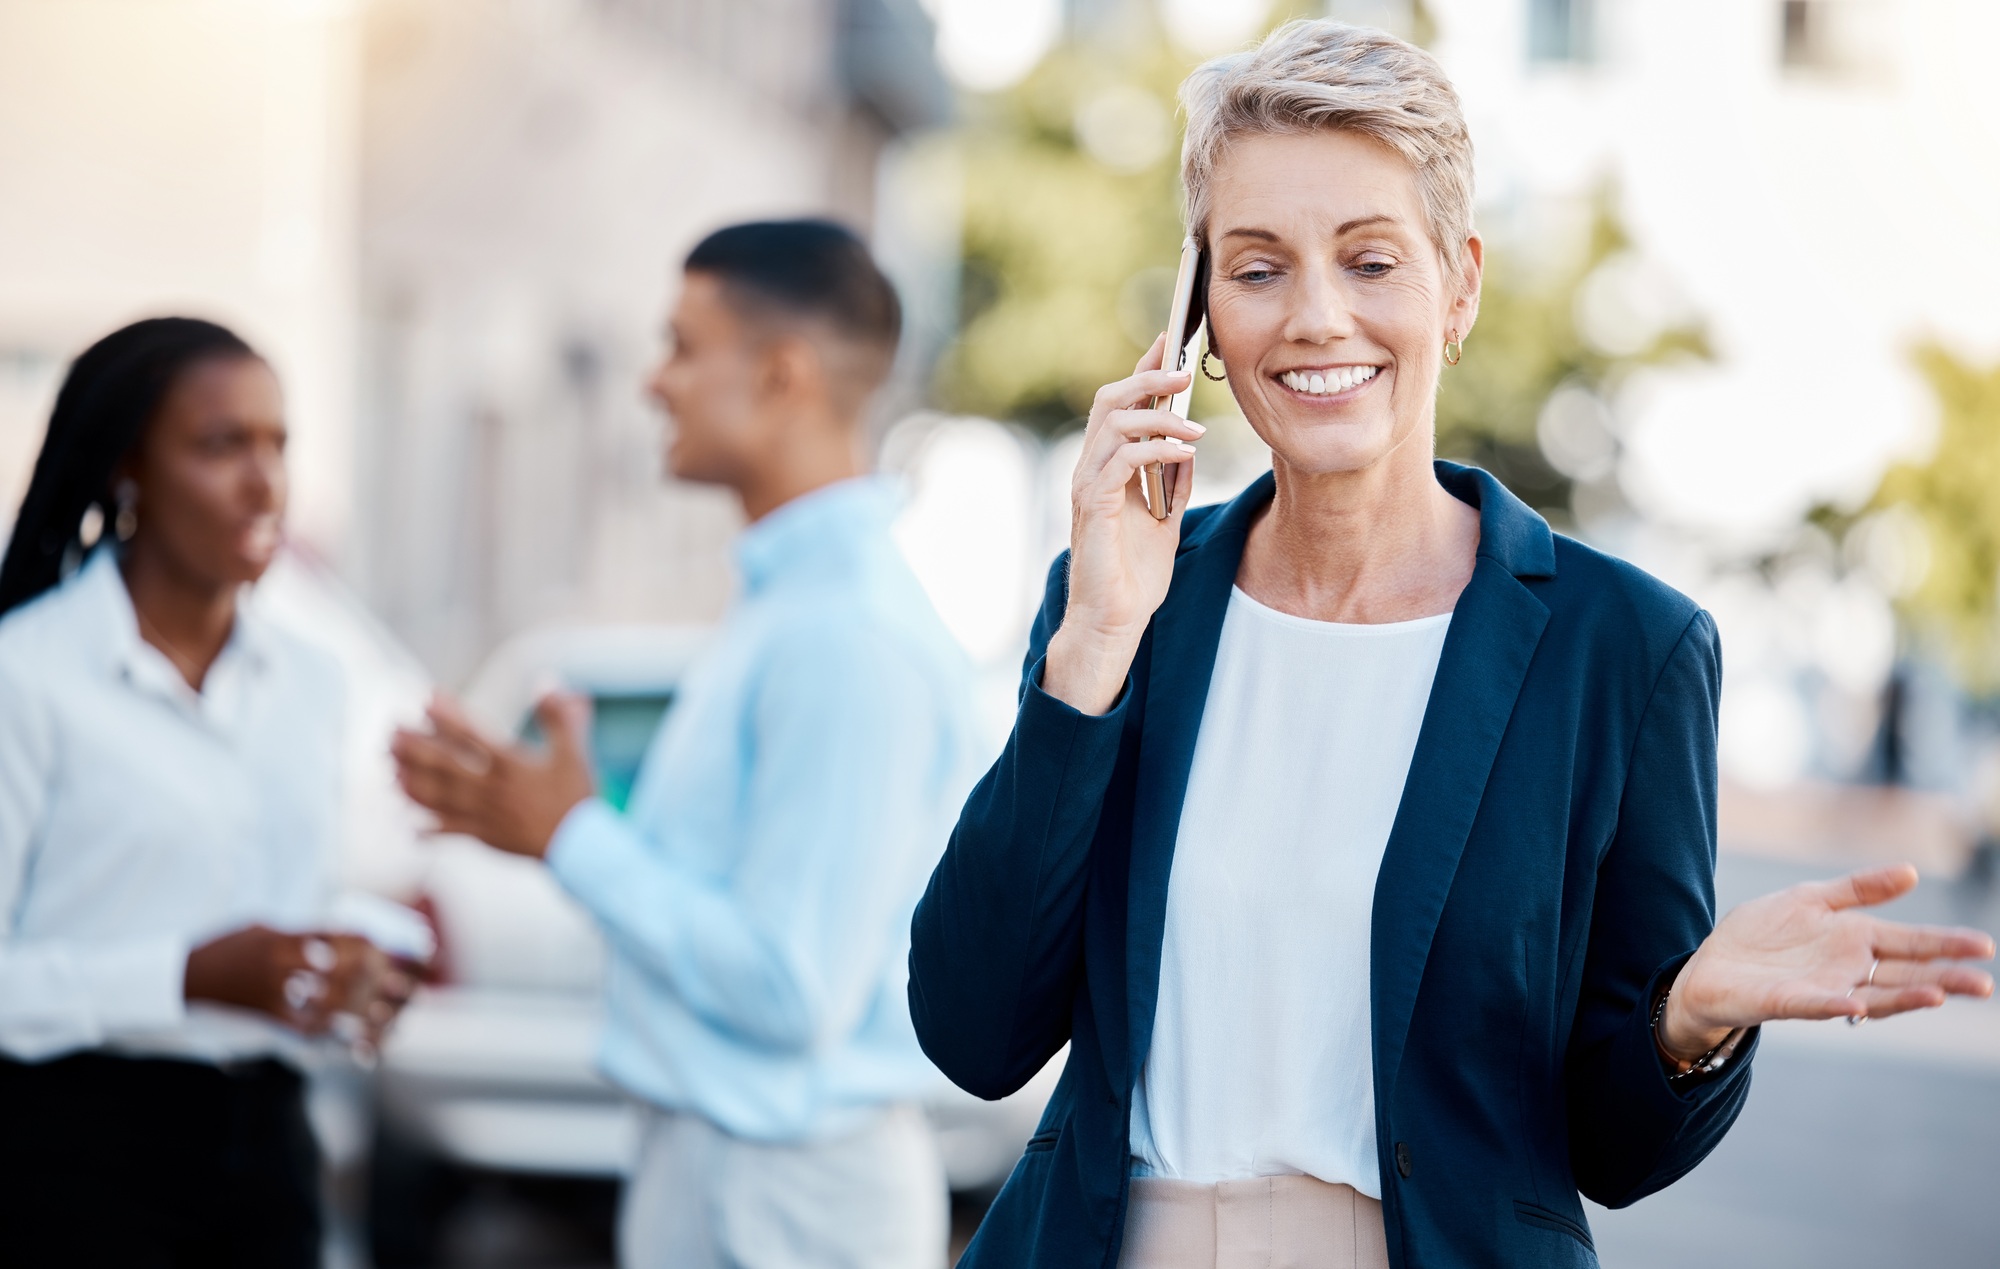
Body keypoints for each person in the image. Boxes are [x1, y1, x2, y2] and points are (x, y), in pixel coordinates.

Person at [907, 21, 1997, 1269]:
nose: (1315, 317)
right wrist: (1095, 639)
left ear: (1458, 283)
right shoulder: (1123, 607)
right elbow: (970, 1029)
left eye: (1369, 261)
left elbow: (1606, 1154)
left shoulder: (1621, 647)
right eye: (1256, 269)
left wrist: (1685, 1019)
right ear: (1196, 310)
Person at [392, 219, 980, 1269]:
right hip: (727, 1172)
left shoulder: (843, 632)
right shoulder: (783, 604)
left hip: (788, 1197)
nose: (652, 383)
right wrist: (550, 826)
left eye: (681, 346)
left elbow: (789, 988)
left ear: (781, 375)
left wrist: (572, 838)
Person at [0, 317, 419, 1267]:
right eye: (221, 444)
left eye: (279, 444)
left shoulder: (312, 680)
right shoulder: (25, 678)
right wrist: (184, 976)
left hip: (267, 1152)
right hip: (69, 1162)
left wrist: (346, 975)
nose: (264, 482)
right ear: (127, 469)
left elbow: (277, 914)